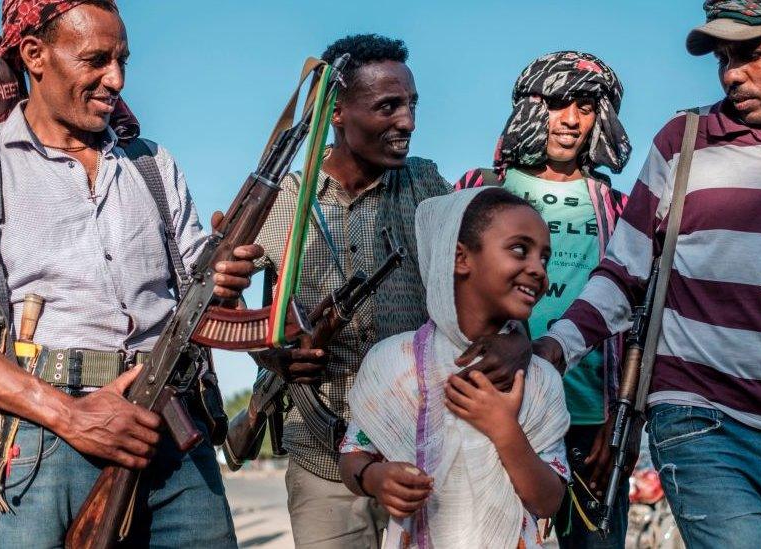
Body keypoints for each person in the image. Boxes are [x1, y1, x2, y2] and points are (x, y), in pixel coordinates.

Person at [0, 1, 261, 546]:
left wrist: (225, 278)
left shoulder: (151, 163)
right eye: (96, 59)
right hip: (47, 441)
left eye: (122, 59)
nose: (116, 78)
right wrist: (69, 416)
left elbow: (203, 298)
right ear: (35, 55)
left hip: (175, 429)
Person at [534, 1, 761, 547]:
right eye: (723, 57)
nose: (731, 73)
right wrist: (553, 351)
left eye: (752, 54)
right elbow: (625, 274)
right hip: (700, 422)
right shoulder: (686, 141)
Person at [251, 34, 530, 548]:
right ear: (337, 112)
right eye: (388, 106)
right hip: (321, 453)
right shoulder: (284, 200)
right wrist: (275, 355)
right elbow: (222, 311)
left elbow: (486, 278)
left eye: (411, 104)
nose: (408, 121)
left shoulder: (425, 185)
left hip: (421, 453)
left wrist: (519, 337)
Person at [455, 51, 632, 548]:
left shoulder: (618, 208)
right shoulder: (479, 190)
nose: (571, 120)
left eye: (586, 106)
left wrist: (620, 423)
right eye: (558, 103)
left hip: (591, 425)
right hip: (492, 406)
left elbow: (633, 314)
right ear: (532, 109)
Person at [339, 187, 569, 548]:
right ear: (460, 257)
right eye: (520, 249)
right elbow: (353, 455)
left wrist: (503, 429)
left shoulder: (539, 380)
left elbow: (548, 501)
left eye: (545, 258)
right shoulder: (394, 363)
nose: (538, 269)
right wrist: (374, 477)